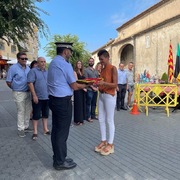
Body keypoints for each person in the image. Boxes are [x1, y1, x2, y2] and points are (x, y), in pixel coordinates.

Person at [47, 42, 92, 170]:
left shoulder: (53, 62)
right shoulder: (64, 64)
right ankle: (60, 162)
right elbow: (74, 86)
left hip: (54, 100)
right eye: (70, 52)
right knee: (62, 132)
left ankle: (58, 157)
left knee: (56, 131)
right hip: (62, 102)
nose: (71, 54)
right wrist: (87, 85)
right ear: (66, 51)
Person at [95, 49, 117, 156]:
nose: (101, 62)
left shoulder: (113, 68)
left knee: (109, 120)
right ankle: (103, 140)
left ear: (107, 57)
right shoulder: (102, 70)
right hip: (101, 95)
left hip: (109, 96)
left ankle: (110, 144)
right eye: (99, 60)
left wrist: (104, 83)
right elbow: (101, 83)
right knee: (101, 119)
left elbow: (115, 84)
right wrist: (97, 84)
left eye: (102, 59)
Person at [6, 52, 32, 137]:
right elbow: (8, 81)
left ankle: (26, 126)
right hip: (18, 92)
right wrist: (15, 88)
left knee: (28, 110)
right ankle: (20, 129)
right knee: (21, 111)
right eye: (22, 58)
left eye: (26, 58)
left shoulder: (28, 68)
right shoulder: (13, 68)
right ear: (18, 59)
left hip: (28, 92)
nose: (24, 60)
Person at [27, 57, 50, 140]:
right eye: (41, 62)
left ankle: (45, 129)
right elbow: (30, 83)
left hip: (47, 97)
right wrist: (34, 95)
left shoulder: (47, 72)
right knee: (36, 115)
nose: (43, 63)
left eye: (44, 61)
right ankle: (35, 132)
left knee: (45, 114)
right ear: (37, 63)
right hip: (37, 97)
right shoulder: (33, 71)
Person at [84, 58, 99, 122]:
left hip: (96, 89)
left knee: (94, 103)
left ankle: (93, 115)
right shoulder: (86, 70)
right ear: (88, 62)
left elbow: (98, 79)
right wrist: (93, 87)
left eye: (92, 61)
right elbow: (86, 80)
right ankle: (88, 117)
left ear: (94, 62)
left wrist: (97, 87)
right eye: (90, 61)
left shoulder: (95, 71)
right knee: (89, 104)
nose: (91, 62)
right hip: (90, 89)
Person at [73, 60, 86, 125]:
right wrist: (83, 88)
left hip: (82, 90)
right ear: (76, 65)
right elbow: (76, 81)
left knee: (82, 104)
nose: (79, 65)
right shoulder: (75, 72)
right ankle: (77, 120)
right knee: (78, 105)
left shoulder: (82, 72)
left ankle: (81, 119)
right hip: (78, 90)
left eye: (80, 63)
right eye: (78, 63)